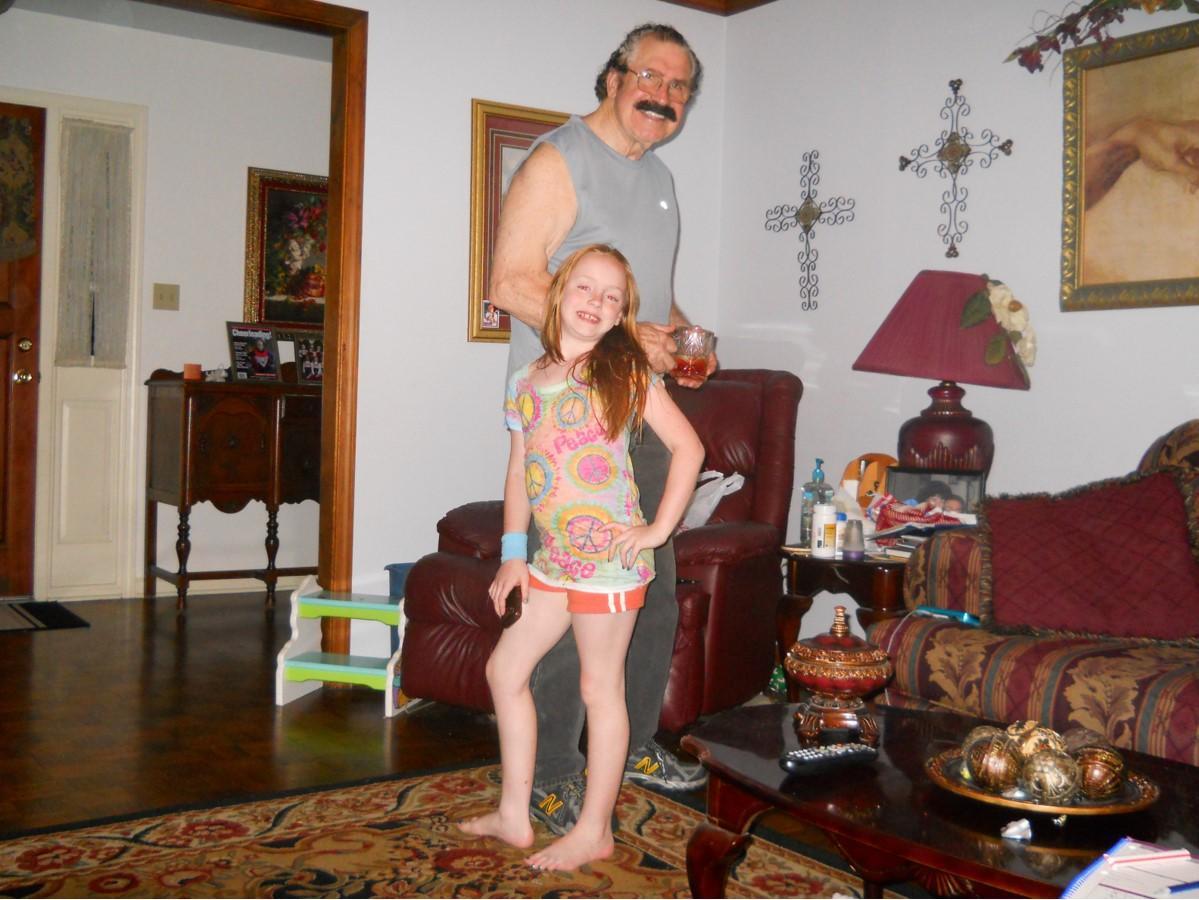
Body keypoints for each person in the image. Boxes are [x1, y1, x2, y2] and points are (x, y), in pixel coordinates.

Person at [489, 23, 717, 835]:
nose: (666, 94)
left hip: (638, 407)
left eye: (682, 85)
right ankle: (552, 772)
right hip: (571, 423)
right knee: (565, 596)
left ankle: (636, 744)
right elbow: (512, 281)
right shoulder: (559, 159)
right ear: (614, 76)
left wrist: (686, 338)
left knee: (642, 585)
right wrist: (628, 341)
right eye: (651, 76)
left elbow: (648, 302)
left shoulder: (658, 179)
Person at [460, 244, 703, 871]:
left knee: (601, 689)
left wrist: (654, 531)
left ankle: (595, 829)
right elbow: (519, 470)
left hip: (609, 564)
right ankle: (516, 814)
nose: (596, 302)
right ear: (559, 292)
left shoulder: (621, 373)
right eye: (586, 288)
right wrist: (515, 554)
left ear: (623, 315)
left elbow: (690, 449)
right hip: (553, 561)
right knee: (503, 672)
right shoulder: (526, 382)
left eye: (612, 297)